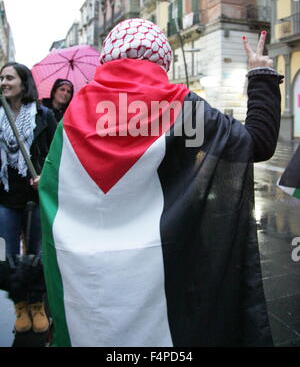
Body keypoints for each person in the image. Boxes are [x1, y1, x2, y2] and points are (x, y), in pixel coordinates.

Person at [39, 19, 283, 347]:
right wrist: (259, 74)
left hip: (88, 280)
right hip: (164, 273)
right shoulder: (183, 107)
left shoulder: (73, 113)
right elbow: (257, 142)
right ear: (163, 59)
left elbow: (53, 185)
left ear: (108, 55)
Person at [0, 62, 57, 334]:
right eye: (1, 78)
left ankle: (36, 304)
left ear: (24, 82)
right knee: (9, 256)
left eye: (9, 77)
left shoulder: (43, 116)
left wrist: (44, 175)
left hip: (35, 197)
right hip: (5, 197)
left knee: (36, 254)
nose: (3, 82)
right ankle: (20, 305)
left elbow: (57, 153)